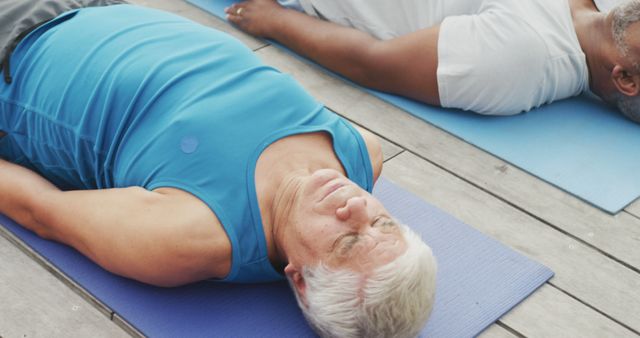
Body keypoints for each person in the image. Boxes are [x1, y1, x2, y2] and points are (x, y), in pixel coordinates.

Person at [0, 2, 438, 337]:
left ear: (301, 281)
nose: (355, 206)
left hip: (13, 52)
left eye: (347, 240)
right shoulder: (362, 152)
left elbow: (40, 210)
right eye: (383, 221)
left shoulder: (186, 237)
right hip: (102, 8)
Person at [225, 0, 640, 123]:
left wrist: (276, 21)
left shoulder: (525, 55)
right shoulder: (601, 7)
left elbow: (373, 62)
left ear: (625, 79)